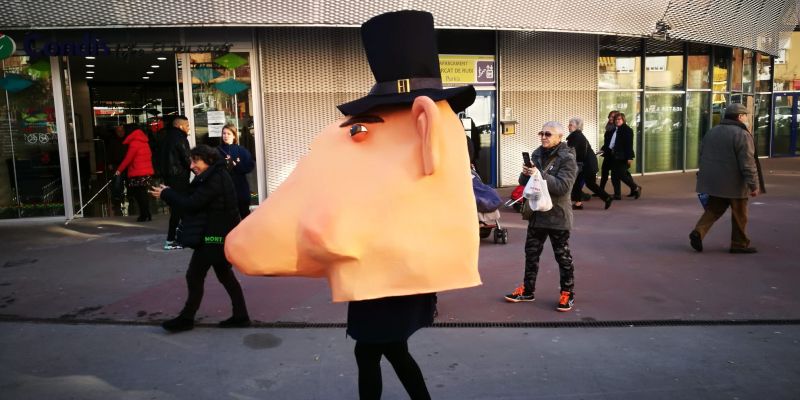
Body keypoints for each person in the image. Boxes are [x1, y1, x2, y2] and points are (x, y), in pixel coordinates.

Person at [225, 10, 481, 400]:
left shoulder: (431, 134)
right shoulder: (379, 144)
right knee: (387, 352)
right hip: (374, 276)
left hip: (391, 280)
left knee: (376, 352)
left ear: (421, 116)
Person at [149, 144, 250, 332]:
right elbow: (193, 198)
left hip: (213, 238)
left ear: (209, 161)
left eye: (196, 161)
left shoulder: (215, 178)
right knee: (224, 275)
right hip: (217, 235)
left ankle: (187, 318)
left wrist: (167, 194)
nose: (191, 166)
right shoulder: (213, 176)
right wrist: (170, 192)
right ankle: (240, 315)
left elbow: (192, 204)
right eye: (191, 161)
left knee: (195, 275)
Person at [504, 121, 578, 312]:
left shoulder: (567, 158)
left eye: (548, 134)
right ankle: (528, 290)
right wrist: (526, 173)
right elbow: (524, 183)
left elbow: (563, 187)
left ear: (560, 137)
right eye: (542, 133)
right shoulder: (537, 153)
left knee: (562, 257)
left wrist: (539, 174)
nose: (543, 137)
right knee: (531, 253)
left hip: (558, 216)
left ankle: (567, 293)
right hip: (537, 214)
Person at [690, 103, 763, 254]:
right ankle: (739, 244)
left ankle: (698, 232)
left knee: (713, 210)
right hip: (734, 183)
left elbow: (703, 154)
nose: (747, 119)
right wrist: (754, 184)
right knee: (740, 214)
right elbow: (748, 162)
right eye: (746, 116)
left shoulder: (712, 132)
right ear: (740, 117)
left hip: (714, 182)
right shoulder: (742, 134)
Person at [159, 115, 192, 250]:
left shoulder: (166, 137)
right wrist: (199, 171)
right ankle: (170, 240)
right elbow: (186, 158)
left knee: (180, 208)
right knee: (178, 209)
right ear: (180, 126)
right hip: (179, 178)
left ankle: (185, 236)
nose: (188, 128)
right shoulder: (180, 138)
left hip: (170, 177)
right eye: (187, 125)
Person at [566, 116, 612, 210]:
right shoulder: (577, 135)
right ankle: (605, 198)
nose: (568, 126)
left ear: (577, 127)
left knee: (584, 183)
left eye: (570, 125)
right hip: (587, 163)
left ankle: (606, 197)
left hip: (586, 164)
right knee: (583, 183)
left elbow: (571, 151)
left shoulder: (576, 136)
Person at [115, 125, 154, 222]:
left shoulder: (134, 144)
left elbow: (128, 159)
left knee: (139, 195)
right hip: (146, 172)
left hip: (137, 173)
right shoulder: (144, 142)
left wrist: (119, 170)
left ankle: (144, 215)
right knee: (143, 194)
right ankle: (147, 214)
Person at [217, 123, 255, 218]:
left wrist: (236, 165)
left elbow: (249, 166)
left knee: (244, 215)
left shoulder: (242, 150)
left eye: (228, 133)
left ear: (234, 136)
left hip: (240, 188)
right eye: (224, 133)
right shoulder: (217, 151)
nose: (225, 136)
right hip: (223, 189)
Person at [606, 113, 641, 200]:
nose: (617, 121)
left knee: (622, 174)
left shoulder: (627, 130)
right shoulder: (616, 129)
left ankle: (636, 188)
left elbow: (629, 145)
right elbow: (613, 142)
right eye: (616, 119)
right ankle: (617, 194)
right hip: (615, 156)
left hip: (623, 157)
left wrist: (629, 157)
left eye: (619, 119)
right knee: (614, 176)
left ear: (623, 120)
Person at [106, 125, 128, 216]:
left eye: (122, 131)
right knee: (117, 182)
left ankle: (126, 196)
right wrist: (110, 163)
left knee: (127, 181)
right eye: (119, 131)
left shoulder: (127, 140)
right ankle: (117, 198)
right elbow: (109, 153)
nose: (120, 133)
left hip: (126, 164)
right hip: (117, 165)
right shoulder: (112, 142)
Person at [598, 110, 618, 194]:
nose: (610, 118)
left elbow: (613, 142)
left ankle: (634, 188)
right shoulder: (609, 127)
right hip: (608, 153)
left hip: (614, 154)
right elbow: (607, 142)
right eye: (609, 116)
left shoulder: (616, 129)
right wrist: (603, 148)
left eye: (612, 117)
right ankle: (601, 191)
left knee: (621, 174)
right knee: (604, 171)